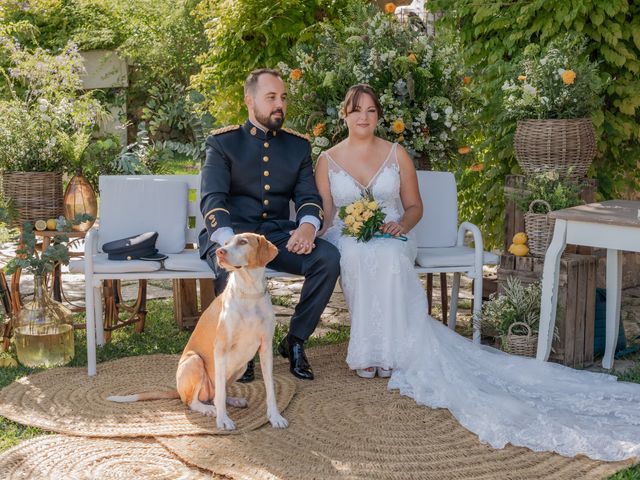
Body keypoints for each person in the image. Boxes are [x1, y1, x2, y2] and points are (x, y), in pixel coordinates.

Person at [315, 83, 640, 462]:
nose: (364, 117)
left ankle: (391, 352)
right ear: (345, 114)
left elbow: (415, 207)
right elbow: (326, 212)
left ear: (378, 115)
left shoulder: (396, 153)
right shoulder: (328, 159)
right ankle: (367, 351)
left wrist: (401, 225)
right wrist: (310, 233)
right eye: (357, 110)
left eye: (371, 110)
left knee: (387, 255)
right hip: (348, 233)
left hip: (394, 230)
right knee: (354, 254)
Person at [200, 68, 341, 382]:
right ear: (249, 101)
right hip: (231, 232)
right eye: (271, 97)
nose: (280, 104)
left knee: (327, 259)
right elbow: (213, 199)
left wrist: (307, 227)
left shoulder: (297, 147)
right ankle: (242, 349)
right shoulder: (223, 143)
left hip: (275, 235)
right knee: (231, 266)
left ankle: (295, 340)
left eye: (283, 97)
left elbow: (307, 195)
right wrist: (229, 242)